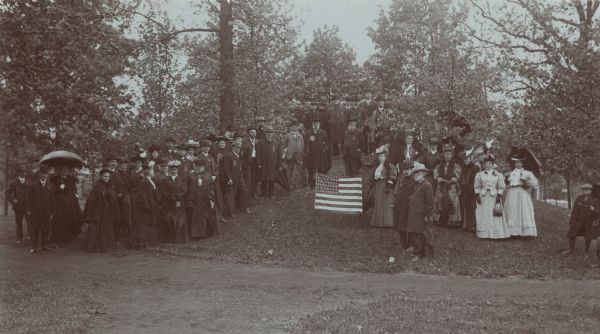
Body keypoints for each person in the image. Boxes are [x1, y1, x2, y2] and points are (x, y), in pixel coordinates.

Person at [82, 169, 120, 253]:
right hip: (98, 211)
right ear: (101, 176)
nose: (107, 178)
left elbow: (111, 195)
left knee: (106, 227)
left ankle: (105, 245)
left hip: (106, 210)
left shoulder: (108, 185)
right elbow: (94, 199)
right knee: (98, 228)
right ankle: (96, 247)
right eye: (105, 176)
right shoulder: (98, 186)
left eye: (108, 177)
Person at [474, 155, 510, 239]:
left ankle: (495, 233)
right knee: (484, 214)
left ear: (493, 164)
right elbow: (477, 186)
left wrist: (499, 196)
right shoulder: (480, 174)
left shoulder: (498, 174)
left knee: (494, 214)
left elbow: (501, 187)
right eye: (486, 163)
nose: (488, 165)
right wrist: (477, 195)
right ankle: (484, 233)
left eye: (490, 163)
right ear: (484, 164)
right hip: (484, 196)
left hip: (494, 196)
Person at [504, 152, 539, 236]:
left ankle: (524, 232)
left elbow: (535, 183)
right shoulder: (511, 173)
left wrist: (526, 182)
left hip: (522, 192)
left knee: (523, 211)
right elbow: (507, 183)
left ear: (522, 163)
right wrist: (506, 179)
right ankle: (512, 231)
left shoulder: (527, 173)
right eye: (516, 162)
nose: (518, 164)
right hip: (512, 192)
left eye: (520, 162)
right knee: (512, 210)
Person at [405, 162, 435, 262]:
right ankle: (417, 251)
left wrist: (427, 215)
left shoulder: (426, 185)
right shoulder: (417, 184)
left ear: (423, 173)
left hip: (421, 214)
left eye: (418, 173)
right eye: (415, 173)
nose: (416, 175)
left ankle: (420, 253)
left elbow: (430, 202)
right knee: (415, 233)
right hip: (414, 212)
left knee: (420, 234)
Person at [26, 165, 55, 253]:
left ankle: (44, 245)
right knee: (35, 229)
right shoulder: (32, 186)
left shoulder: (51, 186)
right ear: (39, 174)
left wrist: (52, 212)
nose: (44, 175)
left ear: (48, 175)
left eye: (46, 174)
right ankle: (34, 247)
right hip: (35, 211)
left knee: (45, 228)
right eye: (42, 173)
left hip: (46, 211)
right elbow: (28, 199)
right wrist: (28, 210)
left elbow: (52, 200)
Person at [562, 183, 598, 255]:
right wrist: (572, 220)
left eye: (588, 190)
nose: (586, 192)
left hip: (588, 221)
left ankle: (586, 252)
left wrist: (594, 209)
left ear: (591, 191)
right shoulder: (579, 198)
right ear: (582, 191)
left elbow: (598, 211)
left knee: (588, 236)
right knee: (572, 233)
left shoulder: (595, 200)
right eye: (584, 190)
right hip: (578, 220)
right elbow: (574, 210)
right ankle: (571, 248)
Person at [186, 160, 218, 239]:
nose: (199, 168)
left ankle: (205, 233)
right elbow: (187, 188)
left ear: (203, 167)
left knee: (205, 216)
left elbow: (211, 188)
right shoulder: (190, 176)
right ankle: (194, 234)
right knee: (194, 217)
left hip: (205, 200)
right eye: (197, 166)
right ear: (195, 167)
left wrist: (211, 198)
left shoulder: (207, 175)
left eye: (201, 167)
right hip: (194, 201)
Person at [130, 164, 160, 248]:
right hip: (146, 206)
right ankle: (143, 243)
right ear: (146, 171)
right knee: (145, 223)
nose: (151, 171)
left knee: (150, 223)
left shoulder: (151, 180)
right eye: (150, 170)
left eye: (151, 169)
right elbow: (142, 195)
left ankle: (150, 242)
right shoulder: (143, 181)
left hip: (152, 204)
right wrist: (146, 205)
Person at [49, 166, 82, 243]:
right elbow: (52, 190)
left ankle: (71, 236)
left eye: (66, 170)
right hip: (60, 201)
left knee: (71, 216)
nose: (64, 171)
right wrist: (59, 188)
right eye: (63, 170)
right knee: (61, 217)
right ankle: (61, 237)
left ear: (67, 171)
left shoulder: (71, 178)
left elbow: (74, 188)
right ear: (60, 171)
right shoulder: (55, 179)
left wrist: (76, 193)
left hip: (71, 200)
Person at [433, 144, 462, 227]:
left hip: (451, 187)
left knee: (453, 202)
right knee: (440, 201)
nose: (447, 156)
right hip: (441, 186)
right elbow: (435, 173)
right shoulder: (439, 165)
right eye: (446, 154)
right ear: (444, 155)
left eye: (449, 154)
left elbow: (459, 175)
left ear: (451, 155)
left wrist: (454, 179)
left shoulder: (456, 165)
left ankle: (452, 222)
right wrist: (438, 178)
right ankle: (439, 220)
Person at [159, 161, 188, 243]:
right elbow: (163, 190)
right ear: (169, 170)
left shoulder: (181, 179)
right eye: (171, 169)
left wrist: (178, 196)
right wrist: (170, 196)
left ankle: (180, 238)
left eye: (175, 169)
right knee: (169, 218)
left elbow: (184, 190)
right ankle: (170, 238)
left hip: (179, 202)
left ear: (177, 170)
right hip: (169, 203)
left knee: (180, 219)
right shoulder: (165, 180)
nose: (173, 171)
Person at [369, 147, 397, 227]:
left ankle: (387, 222)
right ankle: (378, 221)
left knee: (386, 203)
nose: (380, 158)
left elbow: (392, 177)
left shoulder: (390, 166)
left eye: (382, 156)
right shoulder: (377, 166)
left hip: (385, 186)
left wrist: (388, 187)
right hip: (378, 186)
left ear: (386, 157)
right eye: (379, 156)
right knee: (378, 202)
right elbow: (373, 176)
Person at [223, 141, 253, 213]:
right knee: (232, 194)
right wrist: (229, 178)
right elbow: (226, 169)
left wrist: (241, 174)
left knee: (244, 191)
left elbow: (239, 166)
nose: (238, 149)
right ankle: (231, 211)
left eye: (239, 148)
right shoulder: (229, 155)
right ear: (233, 147)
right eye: (237, 147)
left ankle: (244, 208)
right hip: (232, 178)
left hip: (239, 177)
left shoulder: (237, 155)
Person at [392, 161, 416, 249]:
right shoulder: (402, 178)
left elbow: (415, 194)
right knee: (400, 226)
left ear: (411, 170)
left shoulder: (414, 180)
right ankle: (403, 243)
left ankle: (410, 244)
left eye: (408, 169)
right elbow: (398, 192)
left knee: (408, 227)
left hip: (408, 206)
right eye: (405, 170)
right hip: (399, 205)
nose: (406, 171)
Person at [6, 165, 30, 246]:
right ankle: (19, 239)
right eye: (22, 171)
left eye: (24, 171)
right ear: (18, 173)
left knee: (29, 222)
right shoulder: (13, 183)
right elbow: (7, 193)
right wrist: (13, 200)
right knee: (19, 223)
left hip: (27, 206)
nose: (24, 173)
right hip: (18, 207)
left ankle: (30, 237)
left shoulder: (29, 182)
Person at [304, 118, 331, 188]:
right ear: (312, 124)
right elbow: (305, 143)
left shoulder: (324, 133)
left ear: (319, 124)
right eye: (314, 124)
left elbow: (327, 143)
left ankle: (321, 183)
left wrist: (325, 149)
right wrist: (306, 151)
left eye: (317, 124)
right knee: (310, 169)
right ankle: (311, 184)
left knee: (321, 168)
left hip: (321, 154)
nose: (316, 125)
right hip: (311, 154)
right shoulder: (308, 132)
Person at [256, 126, 282, 199]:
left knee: (272, 179)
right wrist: (259, 163)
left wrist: (280, 165)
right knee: (263, 179)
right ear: (265, 133)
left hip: (273, 164)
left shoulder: (276, 144)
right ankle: (263, 194)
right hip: (264, 164)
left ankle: (271, 194)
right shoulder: (260, 143)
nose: (269, 134)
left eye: (270, 133)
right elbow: (258, 155)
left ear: (273, 134)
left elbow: (279, 155)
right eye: (267, 133)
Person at [459, 150, 480, 231]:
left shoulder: (475, 167)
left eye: (467, 159)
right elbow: (461, 179)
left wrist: (470, 189)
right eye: (464, 159)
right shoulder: (464, 168)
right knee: (465, 207)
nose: (466, 160)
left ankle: (472, 225)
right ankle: (466, 225)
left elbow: (474, 180)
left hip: (471, 191)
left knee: (472, 207)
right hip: (464, 190)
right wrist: (461, 187)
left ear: (470, 158)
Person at [282, 120, 305, 189]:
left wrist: (302, 153)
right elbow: (283, 145)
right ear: (290, 128)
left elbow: (302, 145)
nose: (294, 128)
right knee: (289, 170)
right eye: (293, 127)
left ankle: (304, 183)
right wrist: (284, 153)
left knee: (301, 168)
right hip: (290, 155)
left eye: (295, 127)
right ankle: (289, 184)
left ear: (297, 128)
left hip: (298, 155)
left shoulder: (300, 136)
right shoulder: (287, 136)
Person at [242, 127, 260, 198]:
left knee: (255, 177)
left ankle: (254, 192)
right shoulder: (244, 141)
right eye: (252, 132)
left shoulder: (258, 141)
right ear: (248, 133)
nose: (254, 134)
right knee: (248, 177)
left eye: (255, 132)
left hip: (256, 161)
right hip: (248, 161)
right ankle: (247, 193)